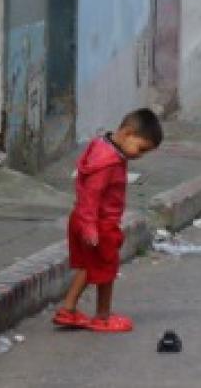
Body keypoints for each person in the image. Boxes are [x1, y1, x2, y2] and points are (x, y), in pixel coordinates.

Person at [53, 108, 165, 332]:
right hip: (99, 223)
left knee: (87, 266)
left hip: (82, 217)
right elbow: (92, 195)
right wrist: (91, 227)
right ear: (127, 133)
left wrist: (85, 223)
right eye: (141, 148)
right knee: (106, 270)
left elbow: (85, 193)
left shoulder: (99, 146)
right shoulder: (109, 163)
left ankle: (68, 308)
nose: (139, 155)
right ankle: (103, 316)